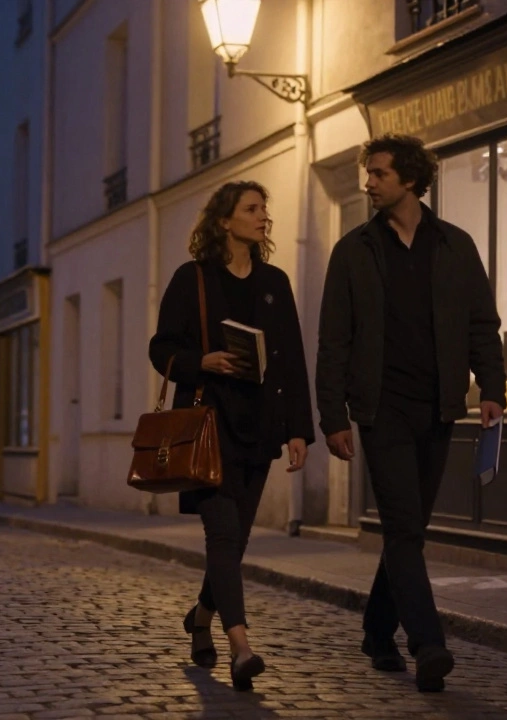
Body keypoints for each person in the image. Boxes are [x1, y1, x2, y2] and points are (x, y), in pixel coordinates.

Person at [315, 134, 506, 692]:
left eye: (378, 173)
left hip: (439, 407)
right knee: (403, 527)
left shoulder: (455, 245)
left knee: (408, 530)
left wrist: (490, 387)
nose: (368, 182)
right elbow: (334, 341)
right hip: (381, 411)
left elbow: (481, 324)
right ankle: (428, 643)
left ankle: (377, 632)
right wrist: (332, 416)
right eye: (367, 173)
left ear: (411, 180)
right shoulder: (353, 250)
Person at [149, 181, 314, 692]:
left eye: (265, 208)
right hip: (207, 427)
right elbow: (161, 350)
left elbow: (289, 358)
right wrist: (204, 361)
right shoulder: (191, 279)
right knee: (222, 536)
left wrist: (298, 430)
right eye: (252, 208)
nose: (264, 216)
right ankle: (241, 647)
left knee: (235, 544)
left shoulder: (274, 281)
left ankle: (200, 616)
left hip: (259, 428)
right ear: (224, 221)